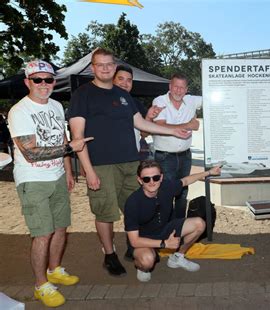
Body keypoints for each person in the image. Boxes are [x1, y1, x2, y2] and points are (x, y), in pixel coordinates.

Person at [68, 48, 191, 278]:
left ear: (114, 66)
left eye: (109, 64)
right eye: (100, 64)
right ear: (92, 67)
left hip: (130, 163)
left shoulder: (124, 96)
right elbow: (78, 138)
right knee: (105, 213)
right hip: (101, 165)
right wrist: (88, 170)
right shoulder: (82, 95)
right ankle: (109, 253)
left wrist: (173, 130)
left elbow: (143, 125)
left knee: (138, 207)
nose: (105, 68)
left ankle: (136, 246)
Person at [8, 60, 92, 307]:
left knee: (61, 227)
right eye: (38, 80)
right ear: (28, 82)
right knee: (42, 233)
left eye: (49, 79)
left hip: (56, 176)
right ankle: (40, 285)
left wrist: (67, 170)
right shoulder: (20, 111)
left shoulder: (56, 105)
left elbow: (61, 137)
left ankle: (54, 270)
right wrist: (69, 148)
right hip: (32, 180)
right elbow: (31, 152)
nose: (44, 84)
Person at [124, 160, 221, 282]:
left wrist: (209, 172)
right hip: (143, 239)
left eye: (156, 177)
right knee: (147, 261)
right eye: (146, 179)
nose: (152, 182)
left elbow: (185, 180)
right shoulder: (133, 202)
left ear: (161, 177)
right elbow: (134, 240)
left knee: (199, 224)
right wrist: (164, 244)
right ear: (140, 180)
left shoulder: (167, 186)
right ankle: (142, 267)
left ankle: (177, 257)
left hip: (165, 230)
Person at [151, 73, 201, 219]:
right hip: (165, 157)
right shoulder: (159, 101)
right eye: (175, 87)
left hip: (185, 155)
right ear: (170, 86)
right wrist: (190, 124)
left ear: (187, 89)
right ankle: (165, 228)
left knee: (183, 192)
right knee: (165, 193)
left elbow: (213, 97)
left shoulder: (191, 100)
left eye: (182, 88)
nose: (178, 91)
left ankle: (179, 227)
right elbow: (160, 126)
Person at [112, 64, 162, 160]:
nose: (125, 83)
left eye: (129, 80)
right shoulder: (101, 101)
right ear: (113, 80)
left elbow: (144, 134)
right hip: (109, 162)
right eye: (120, 79)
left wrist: (148, 117)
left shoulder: (135, 104)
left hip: (133, 160)